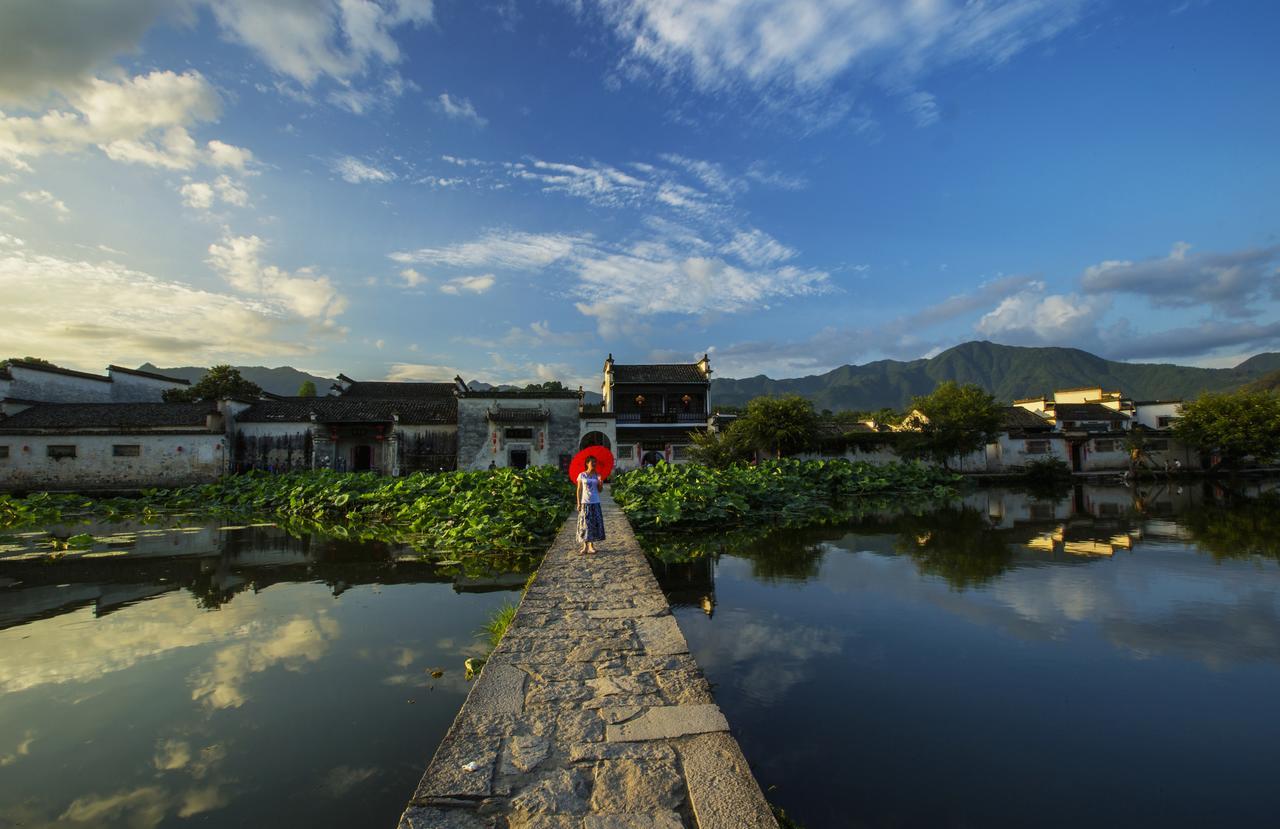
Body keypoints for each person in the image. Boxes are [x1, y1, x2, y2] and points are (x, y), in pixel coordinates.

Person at [576, 455, 606, 554]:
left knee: (593, 524)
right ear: (587, 463)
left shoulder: (598, 475)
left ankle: (591, 546)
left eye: (595, 462)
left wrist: (601, 483)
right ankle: (585, 546)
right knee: (584, 524)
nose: (594, 464)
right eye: (592, 462)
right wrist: (578, 503)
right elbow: (579, 490)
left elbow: (600, 490)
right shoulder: (582, 475)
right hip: (585, 503)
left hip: (595, 502)